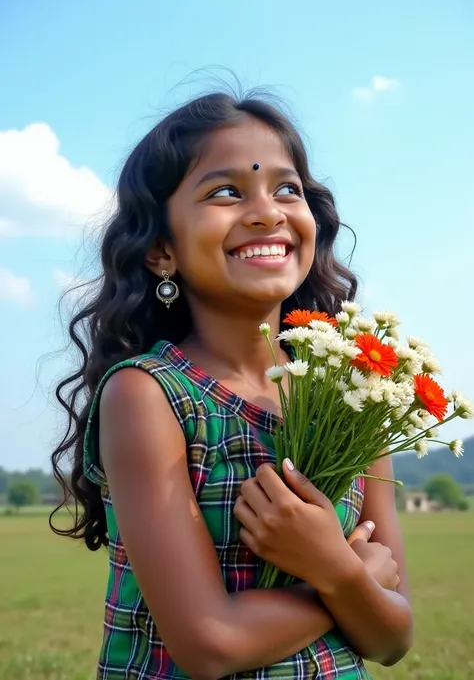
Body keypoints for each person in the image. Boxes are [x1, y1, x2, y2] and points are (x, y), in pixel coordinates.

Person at [50, 90, 414, 680]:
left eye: (286, 189)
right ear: (162, 250)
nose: (268, 212)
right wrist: (347, 580)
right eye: (226, 192)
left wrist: (338, 571)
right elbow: (209, 645)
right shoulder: (149, 396)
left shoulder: (354, 400)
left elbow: (394, 636)